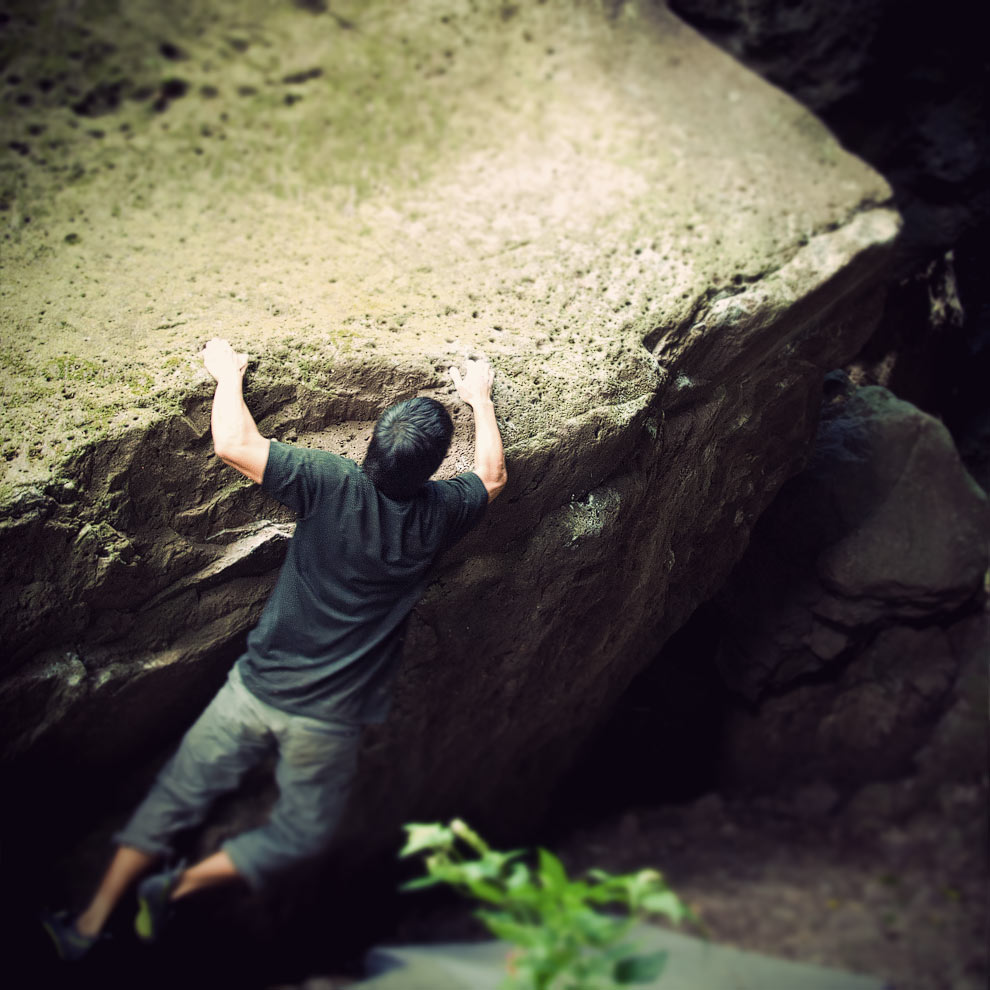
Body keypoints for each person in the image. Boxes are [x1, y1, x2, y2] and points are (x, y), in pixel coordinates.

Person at [42, 338, 507, 960]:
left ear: (371, 446)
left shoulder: (331, 483)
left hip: (254, 689)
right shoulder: (440, 514)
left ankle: (90, 923)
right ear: (429, 470)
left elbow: (233, 444)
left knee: (172, 801)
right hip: (329, 721)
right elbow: (493, 476)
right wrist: (479, 398)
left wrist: (227, 376)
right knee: (302, 835)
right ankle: (175, 886)